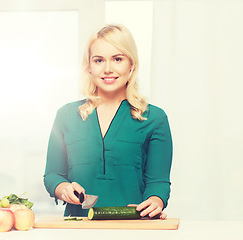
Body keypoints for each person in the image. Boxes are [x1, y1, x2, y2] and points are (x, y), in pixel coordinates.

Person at [43, 24, 172, 219]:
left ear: (132, 65)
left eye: (117, 59)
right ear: (89, 66)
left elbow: (158, 182)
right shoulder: (66, 115)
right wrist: (64, 189)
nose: (108, 69)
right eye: (99, 60)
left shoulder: (154, 118)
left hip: (135, 227)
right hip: (77, 229)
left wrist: (155, 201)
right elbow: (53, 175)